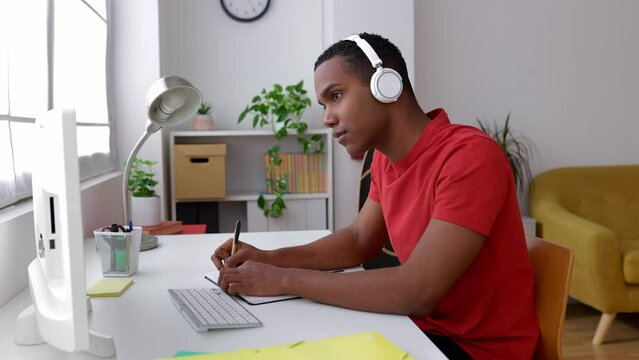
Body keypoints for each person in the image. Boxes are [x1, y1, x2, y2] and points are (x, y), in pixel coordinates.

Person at [211, 32, 538, 359]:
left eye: (336, 96)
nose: (327, 118)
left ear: (387, 85)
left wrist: (283, 279)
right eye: (324, 104)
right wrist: (268, 258)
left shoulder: (469, 157)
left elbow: (415, 292)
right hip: (419, 331)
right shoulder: (385, 159)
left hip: (476, 350)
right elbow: (359, 239)